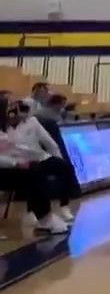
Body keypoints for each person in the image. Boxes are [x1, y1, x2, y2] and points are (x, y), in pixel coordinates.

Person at [0, 93, 75, 234]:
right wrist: (16, 163)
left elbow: (49, 145)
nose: (14, 108)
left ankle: (47, 216)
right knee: (30, 175)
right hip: (7, 167)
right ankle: (45, 219)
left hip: (15, 164)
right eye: (9, 106)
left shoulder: (22, 123)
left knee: (47, 170)